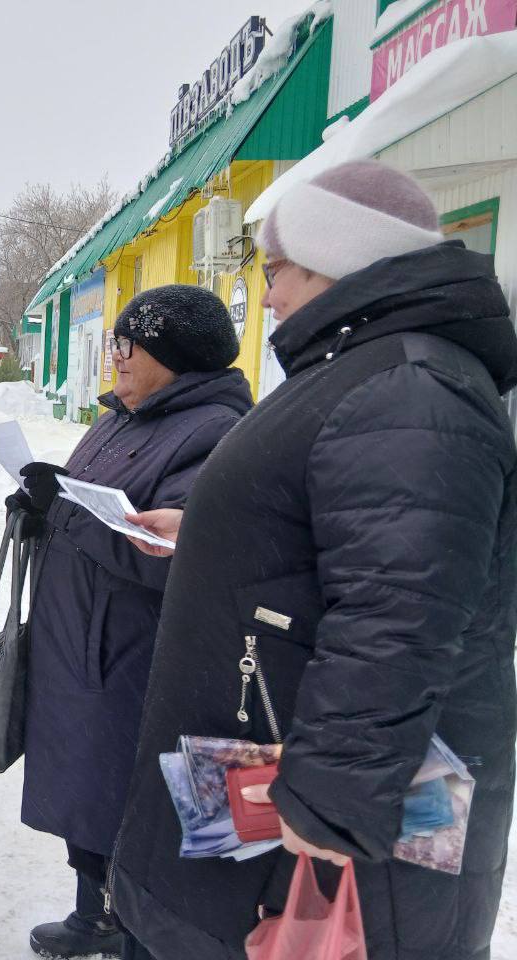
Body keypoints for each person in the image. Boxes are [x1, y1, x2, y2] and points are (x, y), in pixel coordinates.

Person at [113, 161, 517, 960]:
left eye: (276, 269)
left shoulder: (408, 388)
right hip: (271, 765)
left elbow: (401, 609)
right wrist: (207, 530)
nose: (265, 297)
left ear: (339, 255)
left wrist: (331, 799)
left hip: (323, 826)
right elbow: (344, 544)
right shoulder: (375, 372)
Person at [9, 286, 251, 960]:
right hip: (84, 645)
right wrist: (42, 498)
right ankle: (97, 914)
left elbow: (169, 553)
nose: (114, 357)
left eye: (127, 345)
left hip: (132, 656)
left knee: (127, 808)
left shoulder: (215, 433)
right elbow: (94, 501)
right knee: (90, 799)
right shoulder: (128, 414)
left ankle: (130, 924)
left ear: (173, 357)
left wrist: (60, 511)